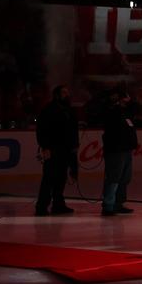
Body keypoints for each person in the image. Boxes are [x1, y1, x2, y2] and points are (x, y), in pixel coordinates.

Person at [34, 85, 79, 216]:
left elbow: (73, 129)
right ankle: (41, 206)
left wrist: (75, 144)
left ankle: (58, 204)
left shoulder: (69, 110)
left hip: (67, 149)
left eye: (67, 92)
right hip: (53, 149)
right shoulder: (49, 110)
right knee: (49, 178)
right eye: (64, 92)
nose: (67, 94)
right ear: (57, 95)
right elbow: (41, 130)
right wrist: (45, 147)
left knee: (61, 178)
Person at [101, 85, 139, 217]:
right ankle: (108, 205)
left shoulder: (124, 113)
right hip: (116, 150)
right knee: (114, 177)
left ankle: (118, 203)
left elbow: (134, 109)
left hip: (125, 150)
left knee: (124, 178)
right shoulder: (112, 111)